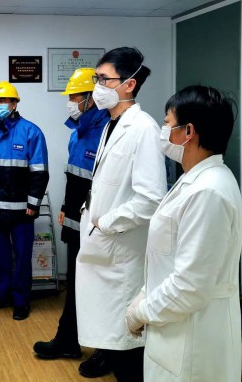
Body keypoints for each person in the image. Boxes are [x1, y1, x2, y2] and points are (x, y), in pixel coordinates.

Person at [125, 86, 242, 382]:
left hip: (193, 338)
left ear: (188, 131)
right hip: (172, 328)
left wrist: (141, 312)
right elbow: (167, 257)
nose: (163, 131)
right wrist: (144, 296)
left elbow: (190, 286)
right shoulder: (193, 180)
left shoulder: (208, 192)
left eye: (167, 123)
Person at [76, 47, 167, 381]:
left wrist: (106, 223)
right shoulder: (110, 126)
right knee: (112, 332)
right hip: (104, 248)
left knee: (128, 339)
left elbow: (151, 198)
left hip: (122, 249)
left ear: (129, 84)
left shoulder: (143, 128)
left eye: (104, 79)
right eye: (97, 78)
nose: (97, 87)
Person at [33, 68, 109, 359]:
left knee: (98, 286)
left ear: (91, 98)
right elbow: (74, 178)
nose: (70, 103)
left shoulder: (108, 132)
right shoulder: (77, 133)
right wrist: (65, 208)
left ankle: (105, 350)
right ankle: (68, 339)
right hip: (76, 221)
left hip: (97, 226)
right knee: (77, 283)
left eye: (75, 97)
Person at [0, 81, 49, 321]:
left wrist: (33, 204)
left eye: (2, 101)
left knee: (22, 257)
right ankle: (1, 295)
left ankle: (21, 301)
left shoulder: (31, 132)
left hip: (21, 212)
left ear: (14, 104)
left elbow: (40, 172)